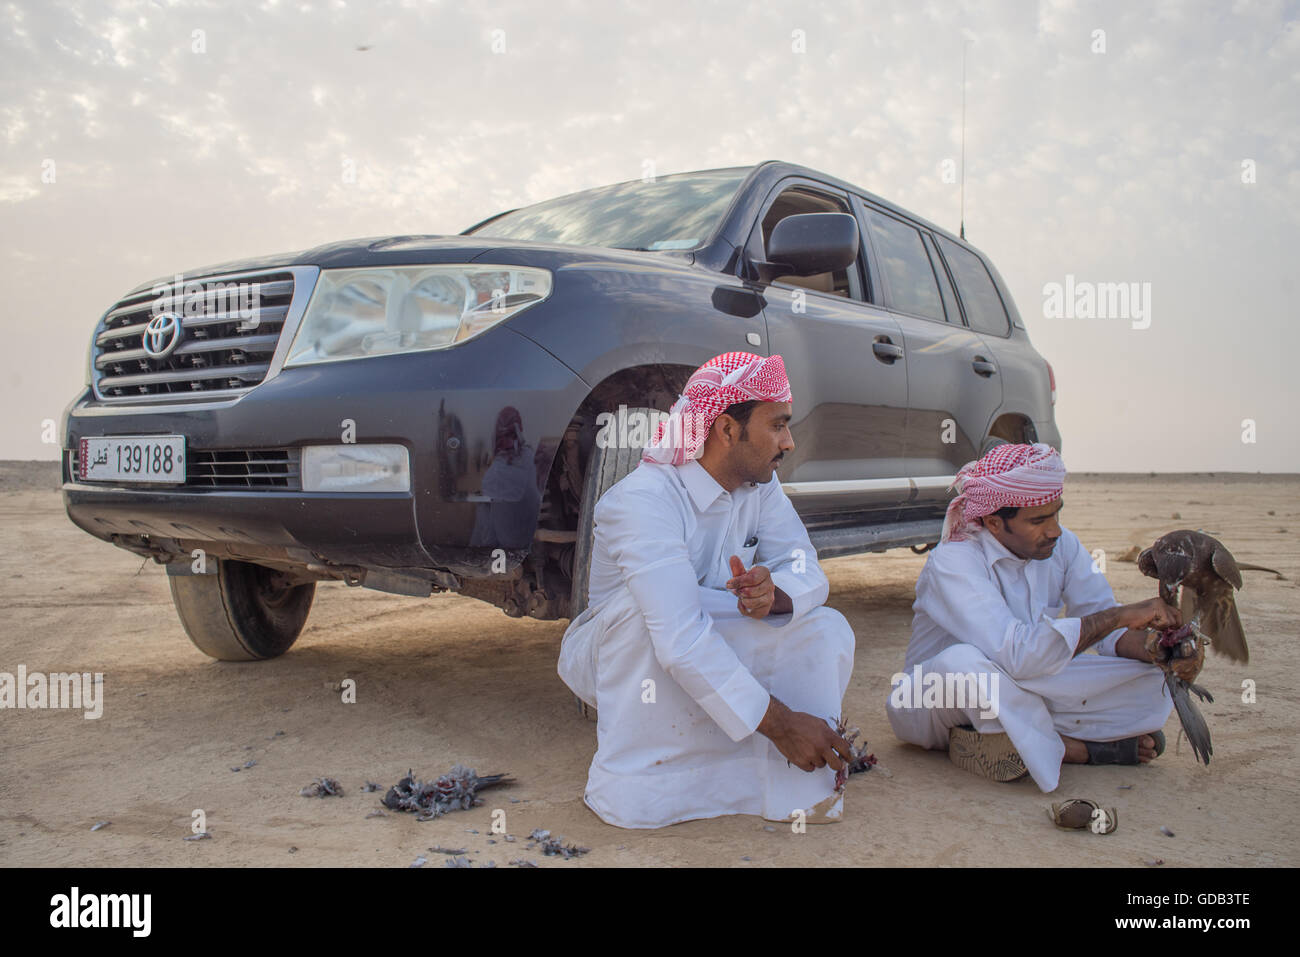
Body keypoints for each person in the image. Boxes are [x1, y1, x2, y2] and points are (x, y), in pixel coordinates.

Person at [557, 352, 856, 828]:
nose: (789, 442)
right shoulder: (643, 500)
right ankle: (648, 786)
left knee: (825, 628)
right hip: (624, 654)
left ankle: (790, 785)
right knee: (647, 618)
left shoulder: (760, 488)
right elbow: (679, 640)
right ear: (726, 430)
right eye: (777, 425)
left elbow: (806, 568)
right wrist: (781, 725)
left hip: (702, 634)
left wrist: (775, 594)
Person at [885, 443, 1194, 792]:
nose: (1054, 531)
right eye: (1038, 520)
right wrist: (1121, 614)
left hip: (1018, 687)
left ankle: (1010, 737)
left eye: (1056, 515)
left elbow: (1108, 638)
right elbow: (1017, 655)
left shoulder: (1063, 547)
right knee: (964, 662)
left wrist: (1159, 648)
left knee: (1152, 678)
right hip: (932, 700)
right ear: (993, 522)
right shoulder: (953, 561)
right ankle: (1071, 747)